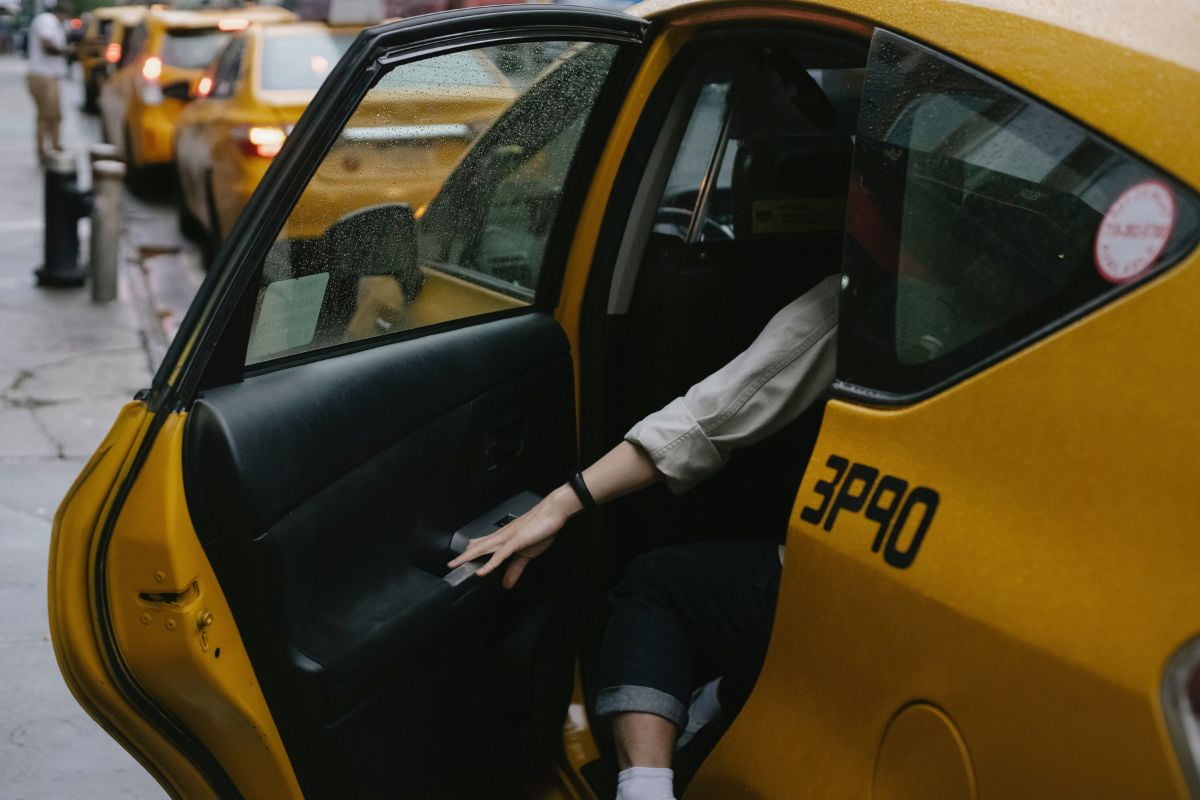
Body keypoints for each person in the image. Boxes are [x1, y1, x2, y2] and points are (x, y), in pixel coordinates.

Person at [449, 272, 840, 800]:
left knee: (657, 585)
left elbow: (716, 412)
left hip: (852, 600)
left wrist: (561, 503)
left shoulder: (864, 292)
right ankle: (721, 698)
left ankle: (645, 790)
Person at [26, 0, 71, 164]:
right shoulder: (46, 20)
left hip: (50, 76)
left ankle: (55, 146)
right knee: (46, 115)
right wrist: (66, 50)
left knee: (55, 115)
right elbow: (47, 44)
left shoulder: (54, 24)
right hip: (42, 75)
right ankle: (43, 151)